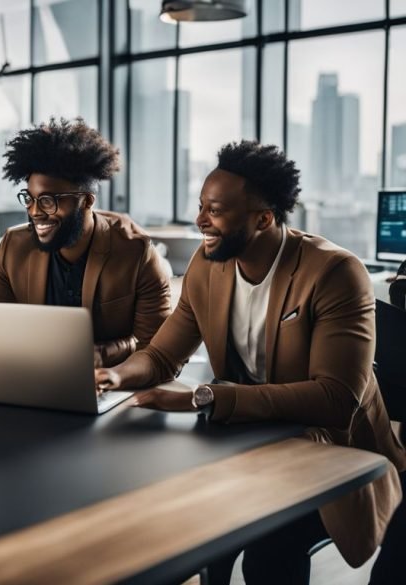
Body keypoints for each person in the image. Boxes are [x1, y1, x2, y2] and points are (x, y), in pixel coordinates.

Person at [95, 140, 406, 584]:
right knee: (179, 523)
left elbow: (337, 399)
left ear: (263, 218)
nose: (200, 220)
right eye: (200, 206)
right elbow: (163, 354)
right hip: (249, 442)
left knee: (268, 551)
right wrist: (114, 375)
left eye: (215, 210)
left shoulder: (335, 272)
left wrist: (209, 397)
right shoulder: (208, 265)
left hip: (333, 453)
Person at [0, 118, 171, 366]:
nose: (35, 212)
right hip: (31, 376)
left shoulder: (136, 253)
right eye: (30, 199)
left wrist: (102, 355)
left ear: (87, 201)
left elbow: (159, 351)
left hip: (109, 385)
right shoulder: (13, 246)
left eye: (48, 200)